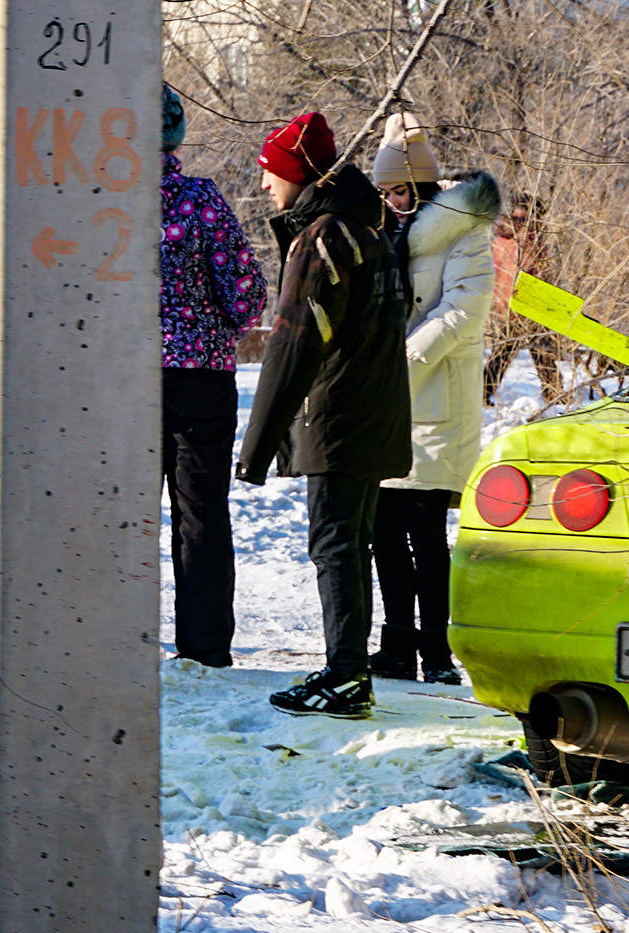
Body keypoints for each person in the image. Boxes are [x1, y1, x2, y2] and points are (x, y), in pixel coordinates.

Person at [237, 112, 412, 717]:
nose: (264, 185)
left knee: (335, 546)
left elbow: (293, 344)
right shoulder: (370, 232)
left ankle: (345, 675)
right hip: (372, 411)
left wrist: (256, 444)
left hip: (337, 415)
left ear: (299, 172)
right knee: (352, 544)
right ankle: (351, 672)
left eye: (270, 172)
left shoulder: (324, 238)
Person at [367, 113, 499, 684]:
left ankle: (437, 656)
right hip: (390, 401)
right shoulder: (380, 230)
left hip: (434, 400)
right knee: (383, 532)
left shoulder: (465, 231)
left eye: (399, 190)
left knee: (424, 533)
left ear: (420, 185)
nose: (392, 201)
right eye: (384, 192)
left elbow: (464, 312)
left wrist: (400, 362)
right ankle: (396, 647)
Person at [160, 84, 266, 669]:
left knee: (115, 508)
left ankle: (109, 635)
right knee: (201, 513)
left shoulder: (98, 198)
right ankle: (203, 648)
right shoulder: (199, 199)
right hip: (199, 375)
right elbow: (246, 299)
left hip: (117, 379)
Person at [484, 193, 567, 405]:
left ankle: (483, 393)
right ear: (536, 214)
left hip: (504, 303)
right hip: (528, 304)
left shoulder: (501, 235)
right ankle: (555, 394)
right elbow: (537, 273)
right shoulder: (528, 237)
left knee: (504, 352)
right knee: (541, 350)